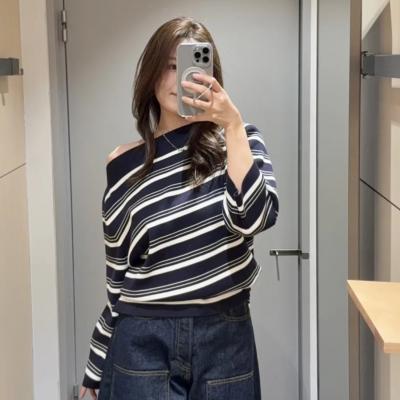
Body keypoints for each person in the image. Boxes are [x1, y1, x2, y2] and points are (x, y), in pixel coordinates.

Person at [79, 16, 279, 400]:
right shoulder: (123, 164)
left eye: (191, 65)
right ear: (151, 76)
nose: (179, 79)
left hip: (225, 337)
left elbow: (254, 218)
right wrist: (96, 362)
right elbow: (117, 275)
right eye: (170, 66)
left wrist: (232, 123)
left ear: (211, 76)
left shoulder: (241, 143)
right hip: (142, 339)